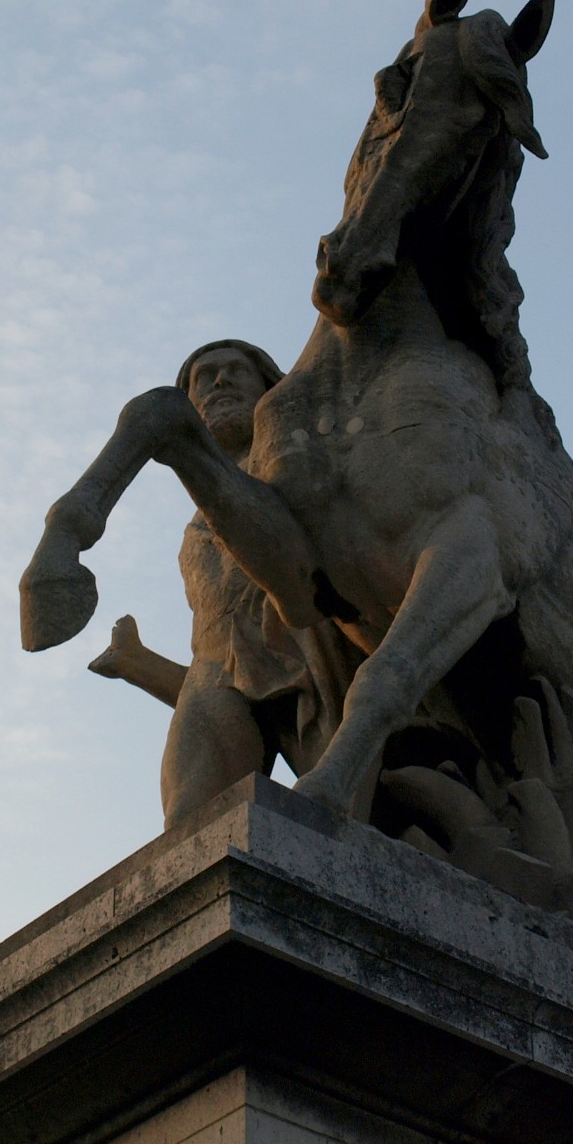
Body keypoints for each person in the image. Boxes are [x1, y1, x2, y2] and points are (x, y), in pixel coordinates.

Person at [89, 339, 363, 823]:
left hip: (321, 655)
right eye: (204, 377)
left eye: (237, 370)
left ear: (271, 389)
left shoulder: (305, 460)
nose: (219, 381)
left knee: (349, 826)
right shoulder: (194, 531)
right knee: (190, 828)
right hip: (215, 669)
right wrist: (138, 662)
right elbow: (236, 662)